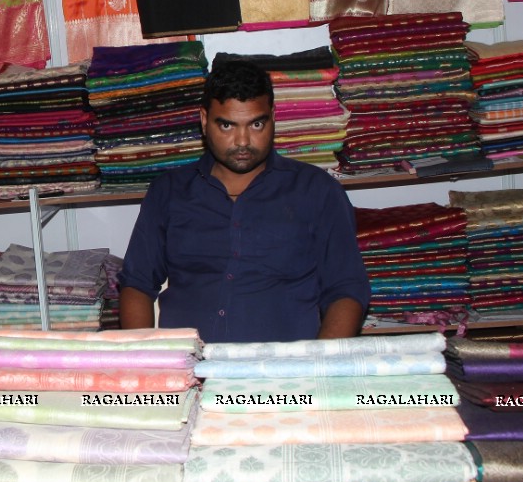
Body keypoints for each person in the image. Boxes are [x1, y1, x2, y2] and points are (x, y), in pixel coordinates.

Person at [117, 55, 370, 343]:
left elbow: (346, 289)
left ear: (273, 118)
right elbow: (136, 285)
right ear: (204, 120)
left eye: (256, 125)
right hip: (191, 373)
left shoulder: (317, 191)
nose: (242, 142)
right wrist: (149, 364)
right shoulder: (169, 192)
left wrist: (317, 368)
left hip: (286, 378)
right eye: (227, 126)